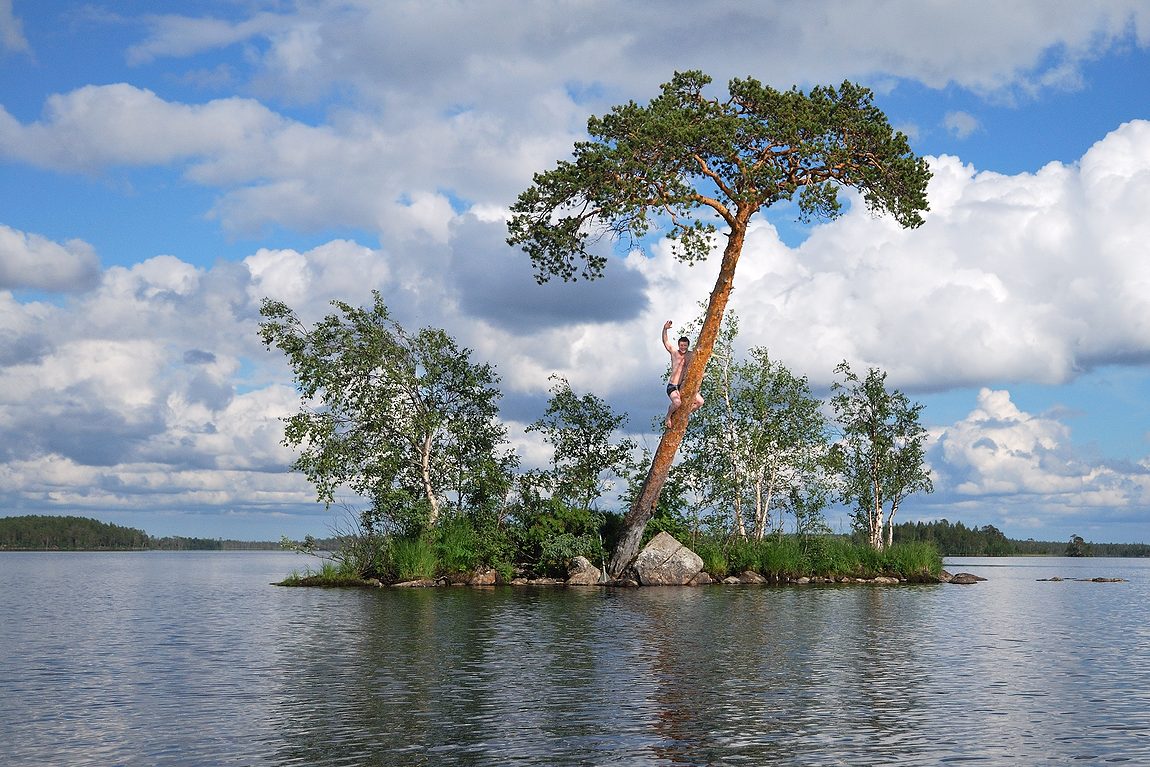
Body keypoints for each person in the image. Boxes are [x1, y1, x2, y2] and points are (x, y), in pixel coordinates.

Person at [663, 320, 704, 428]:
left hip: (683, 385)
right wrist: (665, 329)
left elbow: (702, 351)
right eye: (681, 345)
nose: (683, 347)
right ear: (679, 345)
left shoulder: (691, 355)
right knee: (677, 403)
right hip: (673, 386)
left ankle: (683, 414)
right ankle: (668, 416)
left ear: (688, 346)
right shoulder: (674, 353)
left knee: (700, 402)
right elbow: (666, 342)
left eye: (685, 345)